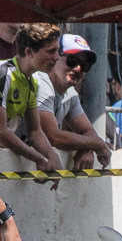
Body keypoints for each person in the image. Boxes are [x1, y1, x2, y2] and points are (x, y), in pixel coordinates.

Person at [17, 34, 112, 170]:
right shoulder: (40, 81)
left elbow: (87, 130)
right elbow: (53, 136)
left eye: (85, 65)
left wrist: (87, 148)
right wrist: (97, 144)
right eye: (72, 61)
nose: (78, 68)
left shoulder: (70, 93)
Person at [0, 23, 62, 173]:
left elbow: (35, 131)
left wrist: (51, 155)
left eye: (58, 51)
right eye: (51, 51)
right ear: (29, 52)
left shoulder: (33, 80)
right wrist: (38, 158)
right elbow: (1, 132)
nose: (57, 57)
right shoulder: (3, 74)